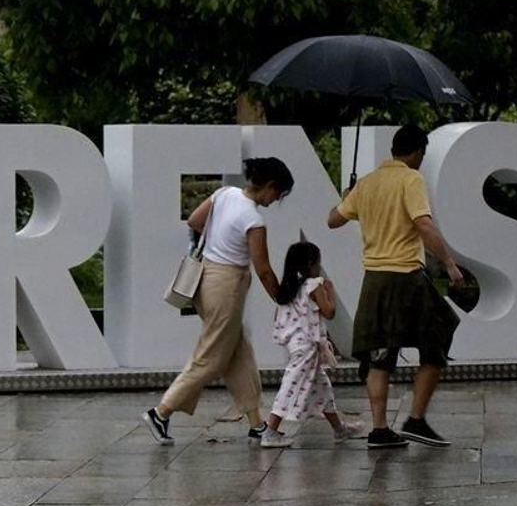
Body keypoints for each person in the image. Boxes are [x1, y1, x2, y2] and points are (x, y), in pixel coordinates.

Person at [328, 126, 464, 449]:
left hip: (374, 280)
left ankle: (379, 429)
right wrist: (449, 263)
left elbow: (333, 220)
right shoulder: (410, 179)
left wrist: (348, 198)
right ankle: (415, 419)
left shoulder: (368, 182)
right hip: (405, 276)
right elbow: (422, 223)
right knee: (441, 332)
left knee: (379, 353)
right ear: (417, 152)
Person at [142, 157, 295, 446]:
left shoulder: (225, 194)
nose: (275, 200)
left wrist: (218, 241)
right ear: (270, 186)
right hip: (227, 288)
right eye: (278, 194)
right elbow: (263, 269)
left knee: (238, 352)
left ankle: (257, 425)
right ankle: (161, 412)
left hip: (205, 280)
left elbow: (195, 221)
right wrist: (282, 297)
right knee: (211, 357)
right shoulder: (254, 220)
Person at [257, 240, 364, 449]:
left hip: (296, 345)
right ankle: (270, 431)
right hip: (307, 347)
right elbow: (329, 312)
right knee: (291, 383)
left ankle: (339, 429)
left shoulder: (287, 289)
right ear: (310, 265)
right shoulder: (314, 286)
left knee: (322, 387)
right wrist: (329, 291)